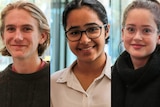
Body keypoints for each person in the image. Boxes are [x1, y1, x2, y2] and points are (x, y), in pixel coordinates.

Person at [51, 0, 111, 107]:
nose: (84, 40)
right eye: (75, 32)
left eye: (92, 29)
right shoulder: (53, 84)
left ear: (106, 31)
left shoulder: (125, 81)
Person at [0, 1, 50, 107]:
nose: (18, 37)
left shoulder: (59, 82)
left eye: (27, 29)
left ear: (42, 36)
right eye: (11, 29)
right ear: (3, 36)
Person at [112, 0, 160, 107]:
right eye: (131, 29)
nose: (137, 37)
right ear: (122, 33)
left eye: (146, 30)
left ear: (158, 37)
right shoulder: (110, 75)